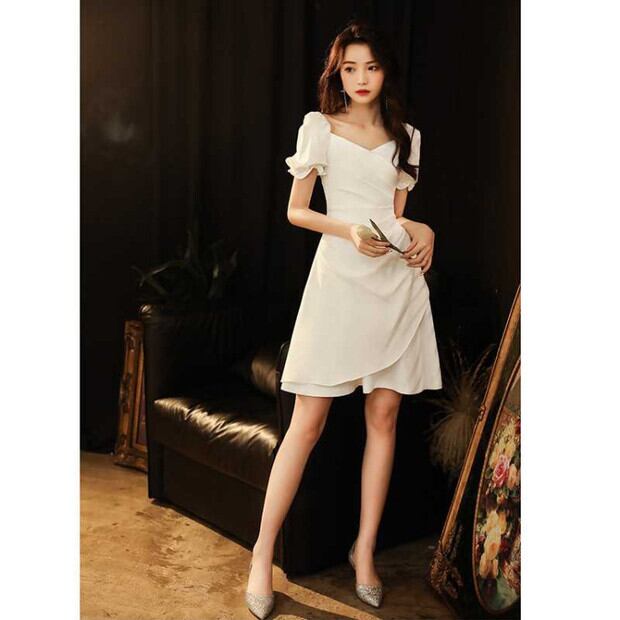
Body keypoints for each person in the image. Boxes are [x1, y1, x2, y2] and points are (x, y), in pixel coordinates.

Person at [245, 19, 442, 619]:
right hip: (338, 282)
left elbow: (397, 216)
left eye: (371, 67)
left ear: (386, 73)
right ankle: (261, 555)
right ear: (338, 73)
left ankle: (364, 552)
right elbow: (296, 210)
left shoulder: (406, 137)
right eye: (350, 68)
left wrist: (426, 230)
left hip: (395, 284)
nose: (361, 78)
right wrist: (348, 229)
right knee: (306, 423)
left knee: (384, 417)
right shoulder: (320, 128)